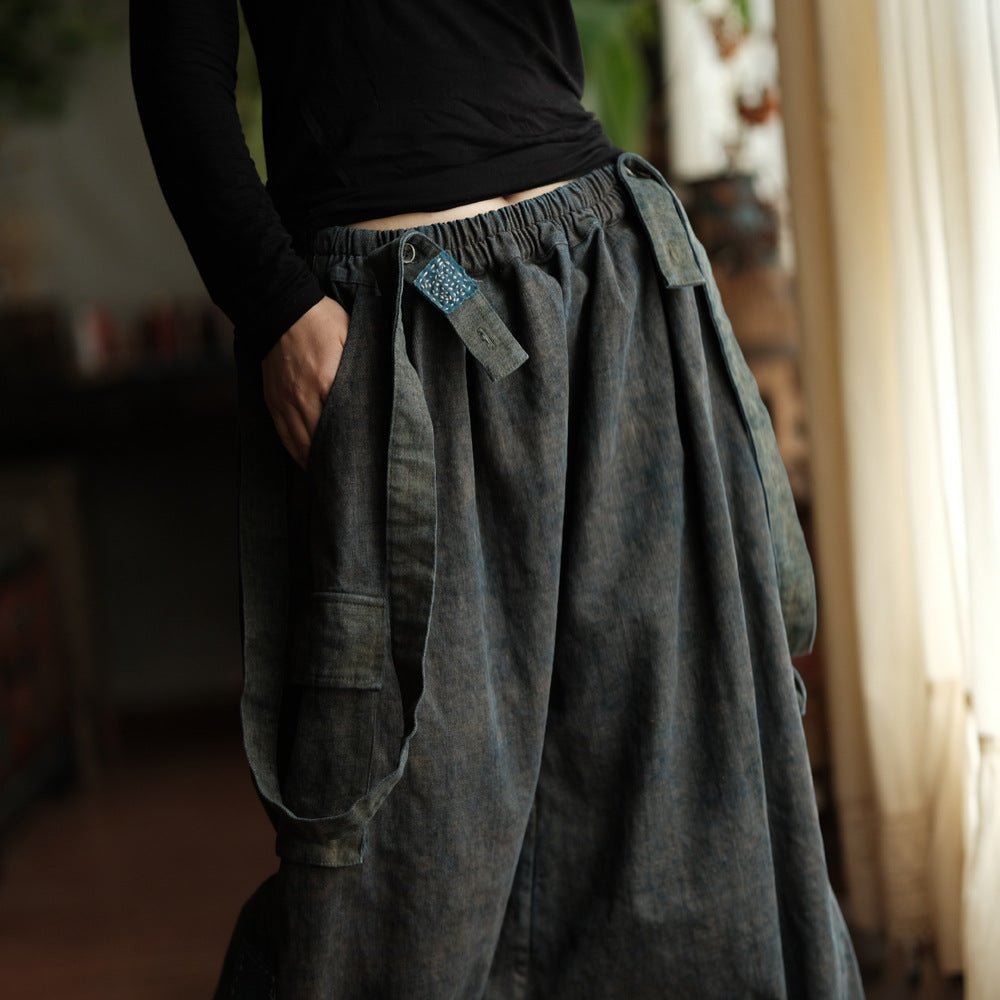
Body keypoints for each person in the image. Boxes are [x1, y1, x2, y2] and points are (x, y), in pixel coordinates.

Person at [130, 2, 863, 996]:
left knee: (687, 822)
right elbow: (177, 63)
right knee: (406, 863)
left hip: (607, 280)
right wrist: (277, 307)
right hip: (399, 329)